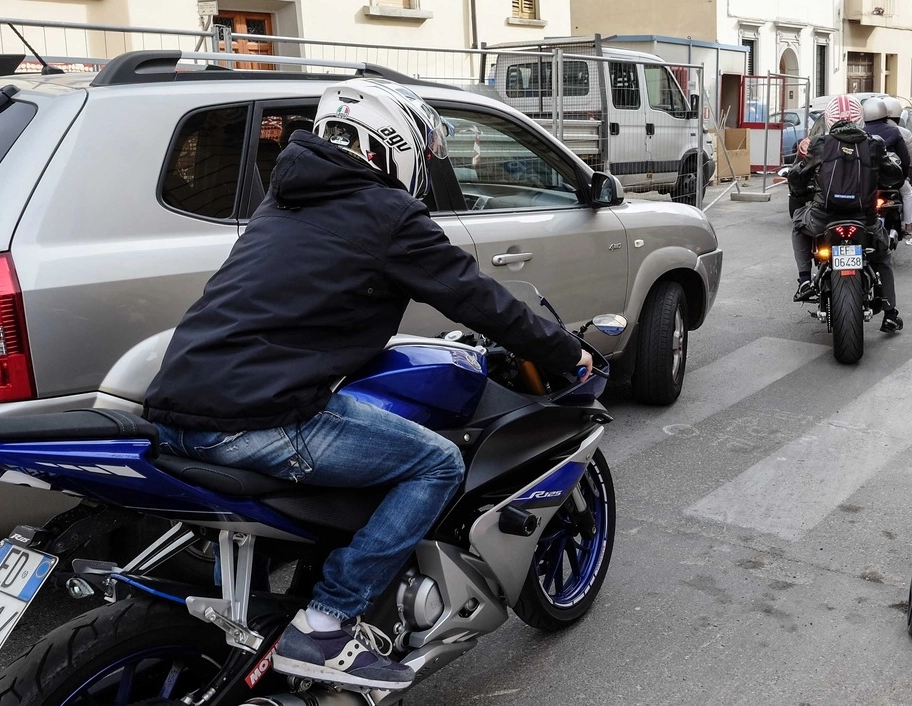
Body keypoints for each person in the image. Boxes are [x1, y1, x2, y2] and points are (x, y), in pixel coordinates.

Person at [144, 78, 593, 691]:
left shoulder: (285, 201)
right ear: (393, 146)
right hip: (255, 420)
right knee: (434, 463)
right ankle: (327, 623)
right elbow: (480, 300)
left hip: (180, 405)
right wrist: (568, 354)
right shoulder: (387, 214)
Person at [788, 94, 903, 333]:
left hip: (822, 220)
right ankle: (891, 314)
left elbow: (798, 177)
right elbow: (895, 176)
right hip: (866, 222)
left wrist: (799, 191)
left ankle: (805, 280)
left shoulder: (819, 144)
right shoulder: (874, 144)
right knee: (882, 256)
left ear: (829, 120)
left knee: (799, 224)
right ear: (860, 119)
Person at [881, 97, 912, 238]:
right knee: (907, 193)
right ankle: (908, 226)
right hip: (892, 178)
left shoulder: (864, 129)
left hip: (868, 177)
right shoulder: (901, 132)